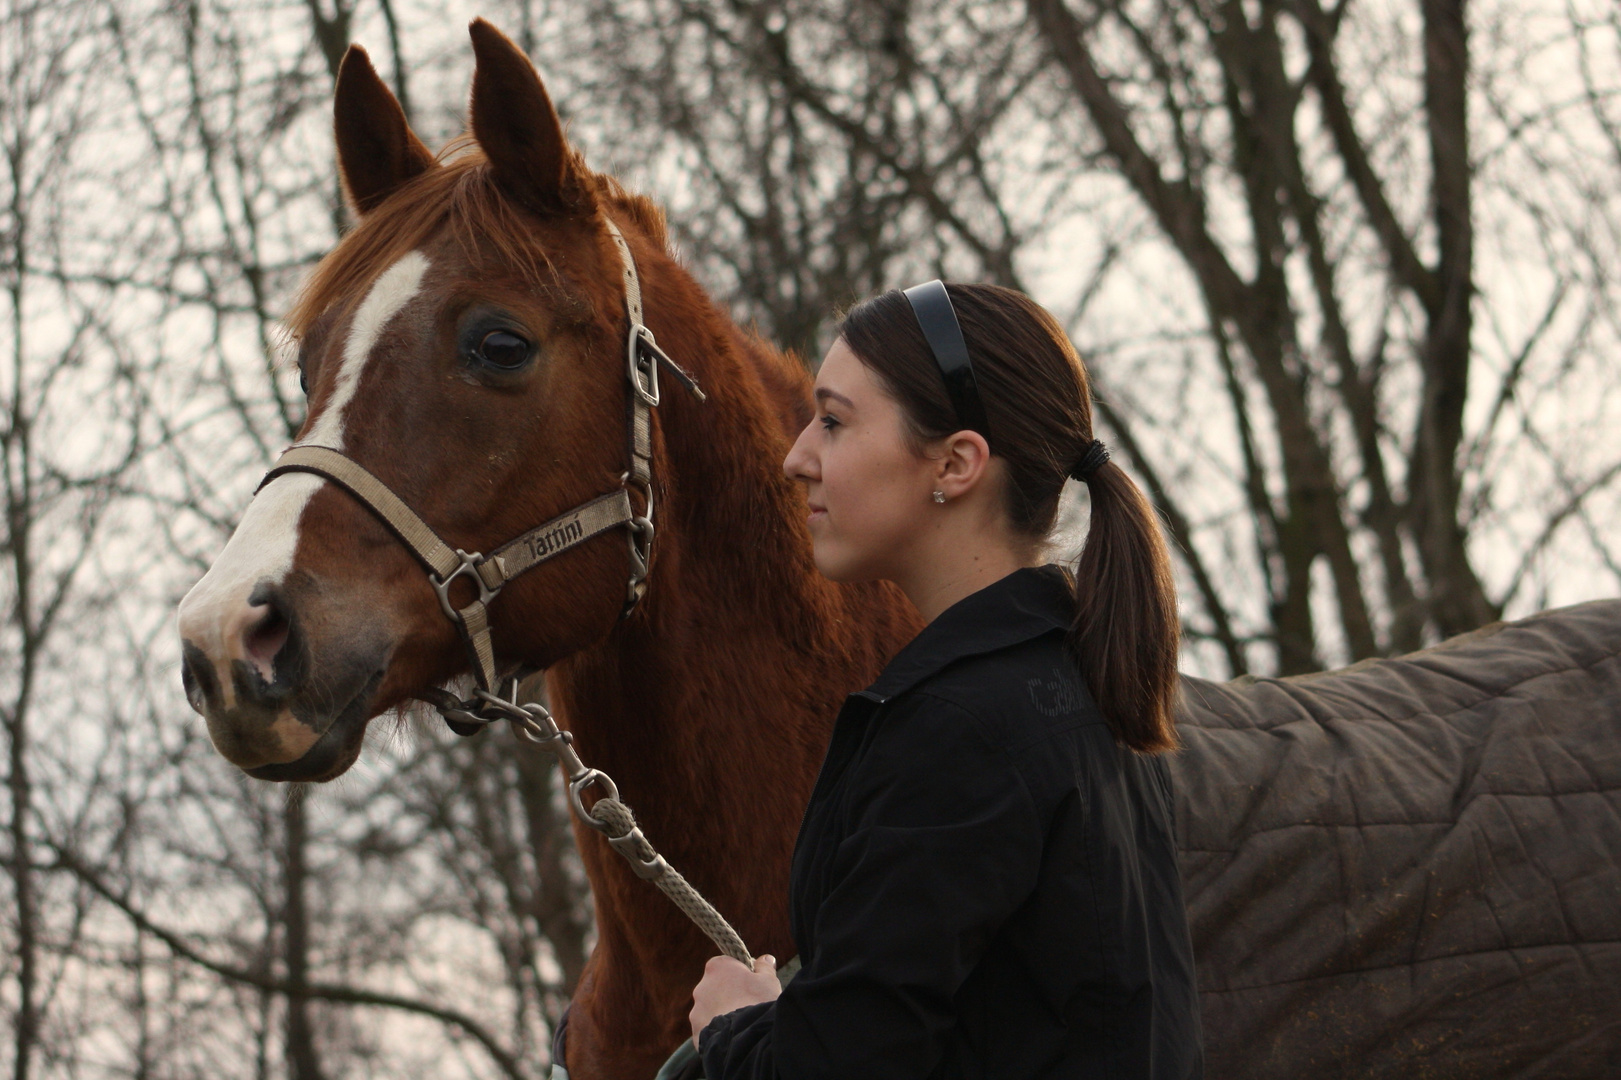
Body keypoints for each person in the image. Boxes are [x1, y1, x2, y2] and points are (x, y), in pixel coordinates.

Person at [688, 281, 1204, 1079]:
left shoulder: (962, 729)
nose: (797, 457)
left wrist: (735, 1029)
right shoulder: (1081, 689)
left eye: (833, 421)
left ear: (955, 463)